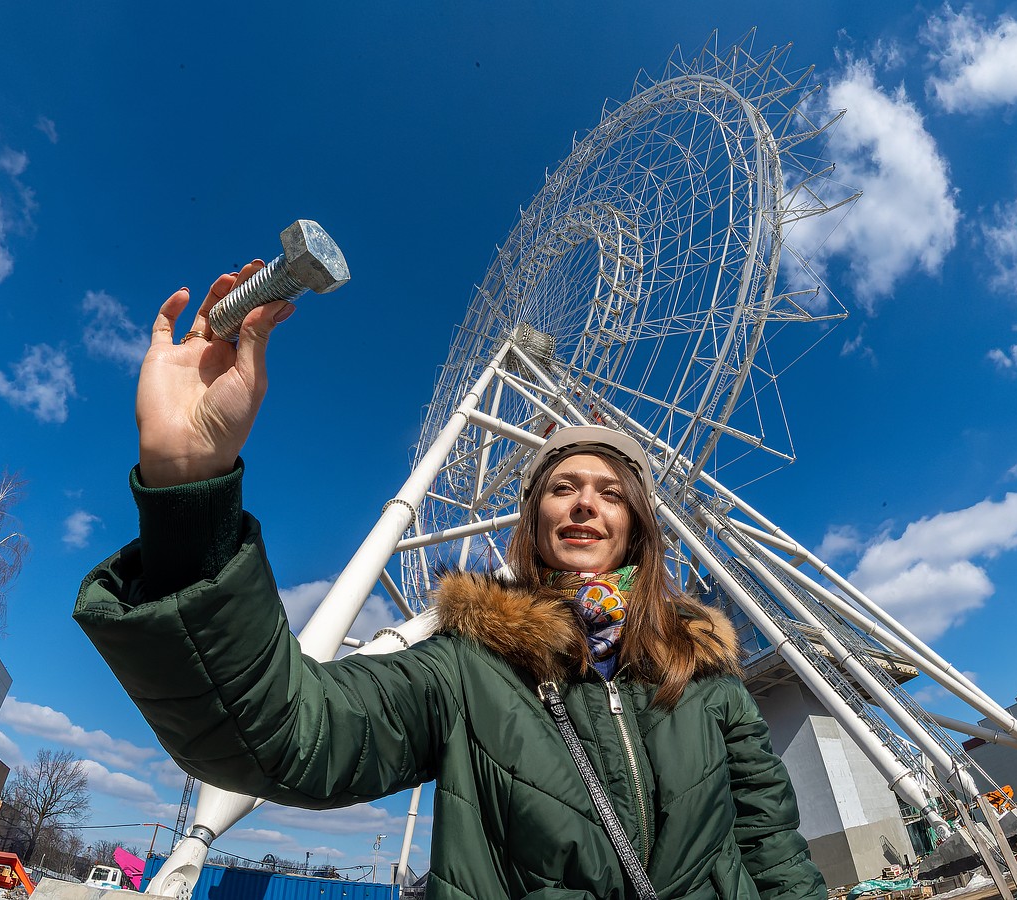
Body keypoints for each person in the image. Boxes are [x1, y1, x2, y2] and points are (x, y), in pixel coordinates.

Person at [74, 267, 826, 900]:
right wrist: (190, 489)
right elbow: (288, 735)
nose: (586, 503)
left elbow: (773, 853)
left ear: (638, 524)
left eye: (610, 489)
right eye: (562, 487)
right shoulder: (464, 672)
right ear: (532, 522)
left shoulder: (708, 682)